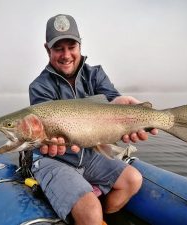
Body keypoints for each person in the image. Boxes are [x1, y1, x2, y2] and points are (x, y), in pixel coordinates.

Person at [29, 14, 158, 225]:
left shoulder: (96, 75)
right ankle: (89, 215)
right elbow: (45, 132)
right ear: (47, 49)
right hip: (54, 159)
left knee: (132, 180)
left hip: (90, 153)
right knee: (90, 209)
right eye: (58, 48)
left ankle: (99, 219)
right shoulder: (39, 86)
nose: (66, 54)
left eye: (71, 46)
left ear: (80, 45)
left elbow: (113, 100)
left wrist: (125, 108)